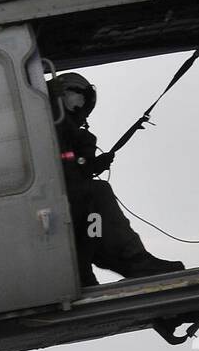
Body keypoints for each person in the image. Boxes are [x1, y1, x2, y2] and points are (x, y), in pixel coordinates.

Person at [48, 72, 185, 286]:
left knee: (93, 220)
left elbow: (68, 164)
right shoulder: (51, 123)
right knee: (97, 196)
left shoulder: (58, 126)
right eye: (78, 98)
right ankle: (132, 260)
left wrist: (88, 164)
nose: (81, 108)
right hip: (52, 202)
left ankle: (86, 267)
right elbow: (63, 158)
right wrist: (86, 158)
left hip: (61, 203)